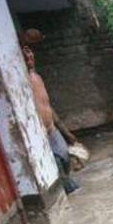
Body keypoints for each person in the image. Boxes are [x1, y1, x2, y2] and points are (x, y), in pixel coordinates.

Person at [23, 46, 80, 194]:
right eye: (25, 56)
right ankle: (70, 191)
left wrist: (66, 132)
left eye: (30, 54)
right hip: (40, 135)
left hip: (53, 130)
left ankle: (70, 188)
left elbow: (48, 106)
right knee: (59, 168)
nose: (29, 58)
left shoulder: (37, 77)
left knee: (66, 158)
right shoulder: (21, 82)